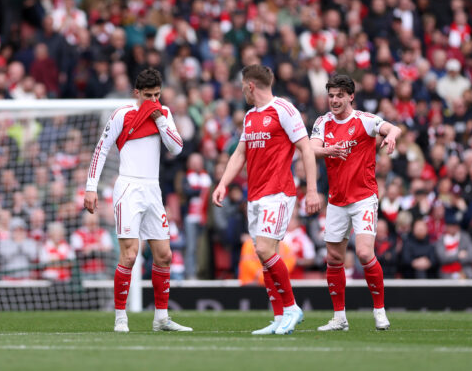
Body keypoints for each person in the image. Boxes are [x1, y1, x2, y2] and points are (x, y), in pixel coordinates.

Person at [212, 64, 321, 335]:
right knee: (264, 257)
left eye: (242, 86)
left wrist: (311, 190)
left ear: (250, 86)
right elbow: (239, 154)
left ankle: (292, 307)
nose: (242, 92)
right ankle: (279, 317)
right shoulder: (250, 116)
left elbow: (306, 149)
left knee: (264, 250)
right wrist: (223, 183)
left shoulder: (284, 109)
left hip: (279, 192)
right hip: (256, 195)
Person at [84, 67, 192, 333]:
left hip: (152, 189)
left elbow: (176, 148)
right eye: (148, 95)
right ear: (136, 93)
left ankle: (161, 319)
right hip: (128, 187)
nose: (153, 100)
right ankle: (121, 318)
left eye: (157, 94)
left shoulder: (163, 114)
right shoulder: (122, 114)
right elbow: (101, 148)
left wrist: (161, 121)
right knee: (130, 255)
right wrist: (91, 187)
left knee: (164, 255)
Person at [310, 74, 401, 331]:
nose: (334, 100)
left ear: (351, 96)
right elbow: (310, 147)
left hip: (363, 198)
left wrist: (392, 136)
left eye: (339, 95)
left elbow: (393, 127)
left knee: (363, 253)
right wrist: (328, 150)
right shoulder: (322, 122)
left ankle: (380, 311)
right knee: (334, 258)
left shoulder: (365, 120)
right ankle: (339, 317)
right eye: (331, 96)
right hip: (337, 200)